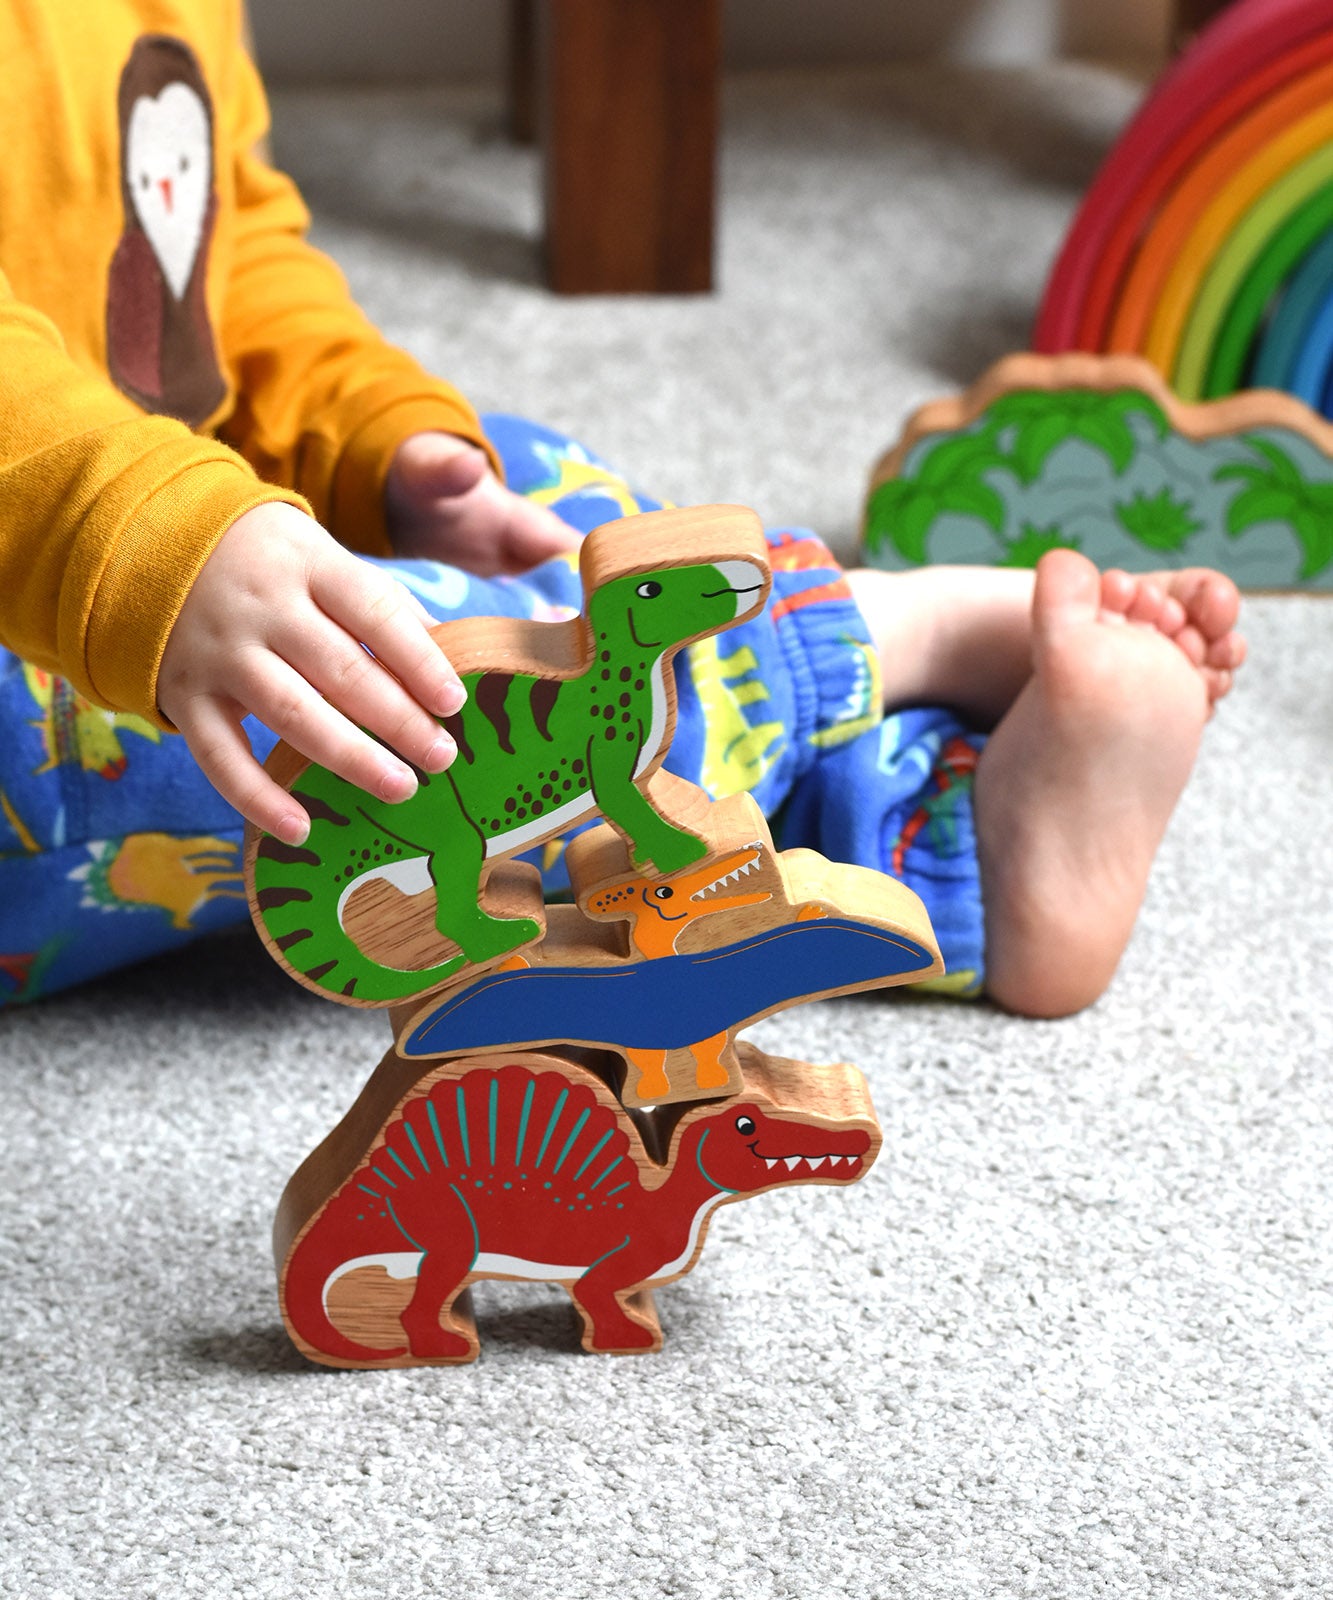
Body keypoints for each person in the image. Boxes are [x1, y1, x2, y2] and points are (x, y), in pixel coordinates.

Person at [0, 0, 1245, 1014]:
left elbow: (224, 253)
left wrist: (377, 443)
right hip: (42, 631)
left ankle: (922, 833)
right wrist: (138, 532)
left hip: (139, 479)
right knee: (355, 712)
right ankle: (869, 643)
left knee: (552, 506)